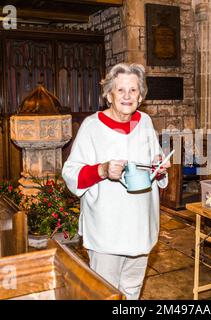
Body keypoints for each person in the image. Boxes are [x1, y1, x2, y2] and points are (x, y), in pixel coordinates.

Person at [62, 63, 170, 300]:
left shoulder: (145, 123)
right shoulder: (92, 126)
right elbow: (70, 173)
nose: (127, 96)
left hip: (141, 225)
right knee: (105, 292)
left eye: (133, 90)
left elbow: (154, 165)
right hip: (107, 229)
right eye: (120, 90)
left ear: (140, 96)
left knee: (132, 288)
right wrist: (101, 170)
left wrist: (159, 169)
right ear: (108, 94)